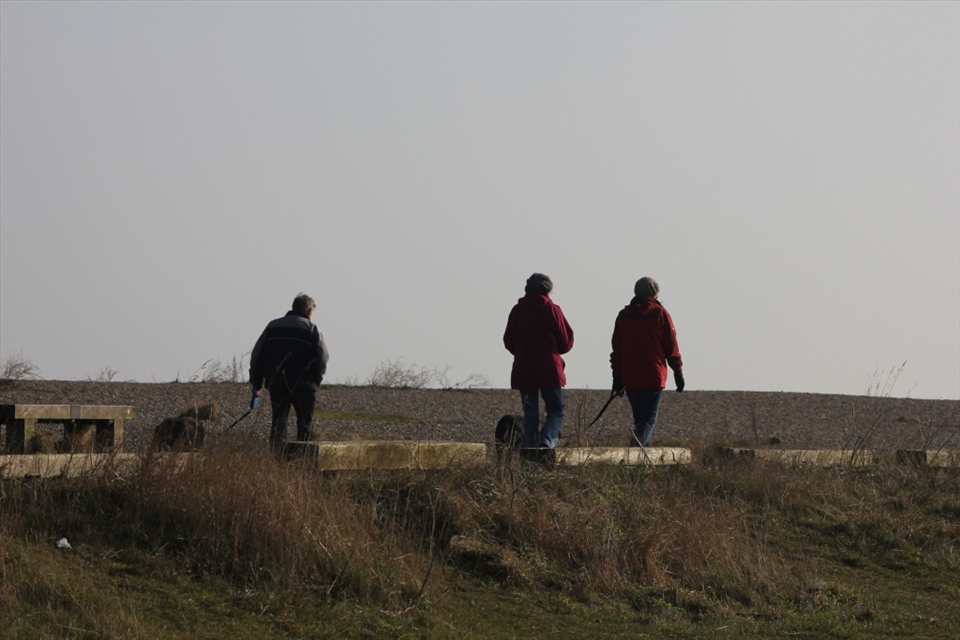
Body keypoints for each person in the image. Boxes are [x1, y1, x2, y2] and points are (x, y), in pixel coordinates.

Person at [610, 277, 684, 448]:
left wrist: (617, 377)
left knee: (640, 421)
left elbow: (617, 350)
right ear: (655, 293)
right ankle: (635, 451)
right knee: (647, 420)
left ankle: (641, 460)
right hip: (653, 374)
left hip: (630, 375)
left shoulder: (623, 316)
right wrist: (678, 371)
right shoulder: (660, 313)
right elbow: (671, 346)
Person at [503, 273, 575, 450]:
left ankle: (531, 448)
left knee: (530, 413)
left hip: (524, 368)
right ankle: (547, 442)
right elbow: (566, 340)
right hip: (549, 368)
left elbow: (508, 340)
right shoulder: (552, 310)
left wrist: (522, 353)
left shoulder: (517, 311)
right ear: (548, 289)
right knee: (556, 409)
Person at [250, 293, 329, 450]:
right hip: (305, 386)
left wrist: (256, 384)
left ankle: (277, 457)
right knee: (305, 425)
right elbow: (323, 358)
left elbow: (257, 356)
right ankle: (305, 459)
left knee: (279, 424)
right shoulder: (313, 329)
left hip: (277, 384)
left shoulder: (272, 327)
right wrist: (316, 380)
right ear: (309, 311)